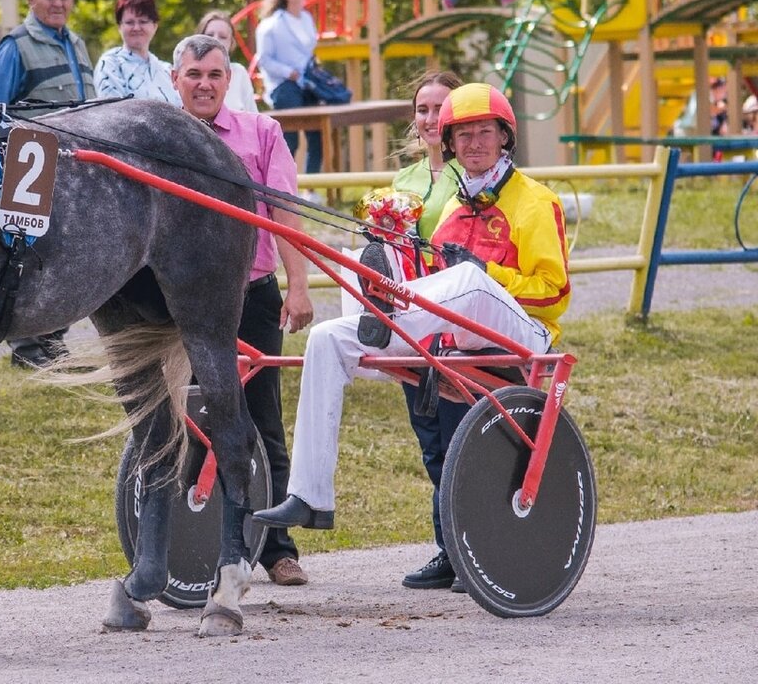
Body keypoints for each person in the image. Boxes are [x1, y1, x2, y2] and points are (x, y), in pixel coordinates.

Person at [254, 83, 570, 543]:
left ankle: (386, 315)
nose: (475, 144)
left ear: (505, 137)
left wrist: (488, 273)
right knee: (327, 338)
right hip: (451, 333)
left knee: (469, 282)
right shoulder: (454, 211)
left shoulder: (536, 201)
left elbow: (554, 292)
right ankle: (309, 495)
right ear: (450, 145)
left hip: (523, 335)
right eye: (463, 136)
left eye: (485, 132)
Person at [170, 34, 314, 586]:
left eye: (213, 75)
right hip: (175, 305)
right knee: (183, 419)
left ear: (229, 82)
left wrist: (298, 284)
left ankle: (277, 546)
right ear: (174, 80)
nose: (203, 84)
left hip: (250, 295)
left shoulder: (261, 133)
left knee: (261, 419)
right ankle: (190, 545)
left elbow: (283, 210)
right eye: (193, 75)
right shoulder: (155, 136)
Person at [363, 71, 474, 591]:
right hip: (411, 324)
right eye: (423, 109)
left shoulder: (473, 174)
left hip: (455, 320)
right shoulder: (404, 183)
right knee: (430, 439)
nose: (431, 119)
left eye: (440, 109)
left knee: (458, 434)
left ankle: (469, 545)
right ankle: (449, 547)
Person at [0, 0, 94, 369]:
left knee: (68, 255)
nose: (59, 3)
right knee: (34, 252)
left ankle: (53, 343)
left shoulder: (76, 43)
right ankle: (28, 349)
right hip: (37, 167)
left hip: (79, 168)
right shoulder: (17, 44)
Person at [255, 0, 324, 175]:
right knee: (289, 140)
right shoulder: (271, 24)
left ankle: (311, 189)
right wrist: (288, 73)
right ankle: (283, 185)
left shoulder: (306, 18)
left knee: (317, 136)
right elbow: (264, 60)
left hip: (308, 83)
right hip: (283, 86)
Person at [94, 0, 180, 105]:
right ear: (119, 26)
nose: (136, 28)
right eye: (130, 22)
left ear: (155, 26)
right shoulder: (110, 64)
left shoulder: (167, 70)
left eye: (143, 21)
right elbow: (111, 112)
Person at [195, 10, 258, 114]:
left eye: (223, 37)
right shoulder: (188, 74)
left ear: (231, 43)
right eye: (209, 35)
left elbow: (253, 116)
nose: (215, 40)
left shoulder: (239, 73)